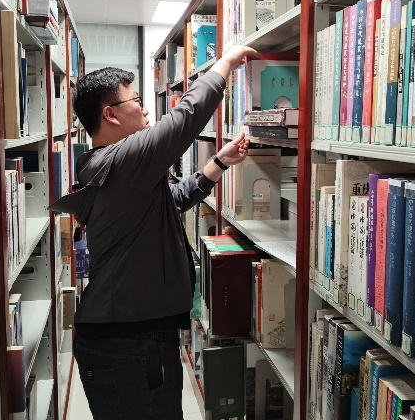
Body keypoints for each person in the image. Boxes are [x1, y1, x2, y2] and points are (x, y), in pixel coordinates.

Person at [49, 45, 261, 419]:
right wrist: (225, 64)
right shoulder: (123, 157)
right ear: (110, 114)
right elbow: (183, 120)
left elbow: (172, 200)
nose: (146, 110)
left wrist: (218, 162)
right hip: (128, 341)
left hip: (131, 336)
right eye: (137, 101)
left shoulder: (110, 164)